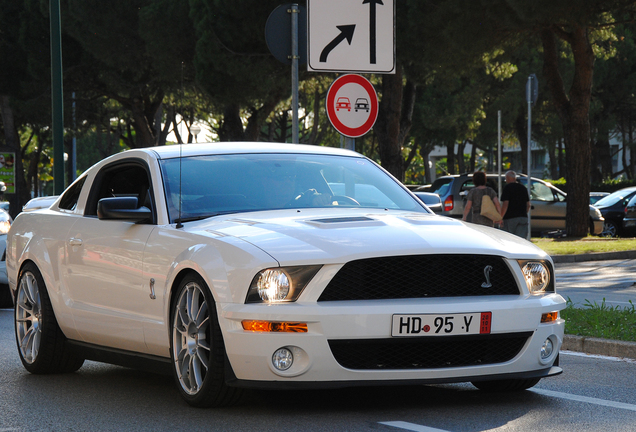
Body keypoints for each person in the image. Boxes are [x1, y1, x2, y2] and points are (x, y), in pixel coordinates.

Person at [500, 170, 530, 238]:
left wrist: (501, 217)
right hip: (523, 217)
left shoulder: (507, 188)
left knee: (509, 238)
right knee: (520, 239)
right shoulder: (523, 188)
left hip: (510, 218)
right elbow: (528, 205)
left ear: (507, 178)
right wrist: (524, 213)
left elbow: (505, 204)